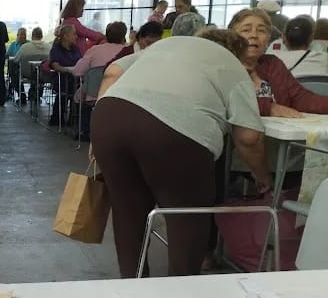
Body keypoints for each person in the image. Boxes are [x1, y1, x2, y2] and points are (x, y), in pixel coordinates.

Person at [91, 29, 271, 278]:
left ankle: (132, 286)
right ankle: (182, 289)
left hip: (109, 116)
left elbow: (112, 72)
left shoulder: (167, 44)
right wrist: (263, 176)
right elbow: (249, 138)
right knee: (186, 218)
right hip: (175, 131)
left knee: (128, 213)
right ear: (237, 53)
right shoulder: (231, 65)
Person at [228, 8, 328, 117]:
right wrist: (268, 108)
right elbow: (226, 102)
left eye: (261, 31)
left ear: (268, 39)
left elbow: (300, 97)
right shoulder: (224, 65)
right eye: (246, 30)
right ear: (232, 36)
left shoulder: (272, 64)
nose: (254, 35)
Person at [69, 21, 127, 140]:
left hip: (94, 93)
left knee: (82, 97)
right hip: (120, 94)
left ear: (106, 35)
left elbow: (77, 71)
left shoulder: (95, 50)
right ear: (123, 36)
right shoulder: (128, 51)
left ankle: (85, 131)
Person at [48, 25, 82, 125]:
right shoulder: (56, 50)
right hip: (61, 78)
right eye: (74, 34)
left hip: (76, 78)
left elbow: (81, 62)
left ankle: (75, 118)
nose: (76, 37)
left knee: (81, 88)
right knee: (66, 90)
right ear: (66, 36)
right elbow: (55, 66)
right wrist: (69, 70)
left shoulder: (76, 49)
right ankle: (58, 118)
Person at [13, 27, 50, 104]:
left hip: (26, 73)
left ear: (32, 36)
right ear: (41, 36)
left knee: (15, 71)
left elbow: (16, 60)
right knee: (40, 71)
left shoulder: (25, 47)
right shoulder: (48, 47)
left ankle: (22, 95)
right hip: (42, 74)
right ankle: (37, 95)